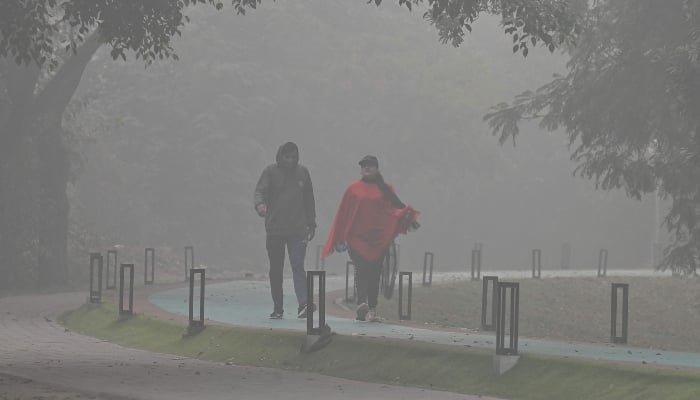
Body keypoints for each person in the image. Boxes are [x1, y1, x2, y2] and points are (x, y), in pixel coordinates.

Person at [322, 155, 419, 322]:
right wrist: (340, 236)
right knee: (362, 269)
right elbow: (343, 214)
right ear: (361, 169)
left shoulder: (386, 189)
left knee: (375, 273)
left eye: (371, 165)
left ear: (377, 169)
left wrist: (406, 218)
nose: (367, 168)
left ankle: (372, 308)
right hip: (356, 238)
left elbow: (393, 210)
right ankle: (361, 304)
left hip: (378, 240)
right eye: (364, 165)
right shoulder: (353, 189)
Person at [254, 142, 316, 319]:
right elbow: (259, 191)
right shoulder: (270, 172)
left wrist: (312, 224)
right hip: (275, 229)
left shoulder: (303, 173)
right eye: (287, 157)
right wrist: (260, 205)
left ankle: (304, 304)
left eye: (293, 157)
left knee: (298, 266)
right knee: (276, 269)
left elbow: (309, 200)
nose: (290, 160)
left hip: (298, 229)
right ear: (280, 156)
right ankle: (278, 307)